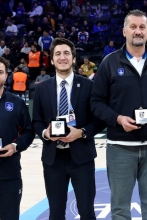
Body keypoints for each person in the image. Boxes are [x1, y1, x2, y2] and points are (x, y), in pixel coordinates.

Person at [90, 10, 147, 220]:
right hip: (120, 147)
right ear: (124, 31)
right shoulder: (109, 62)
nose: (138, 31)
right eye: (133, 27)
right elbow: (96, 102)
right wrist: (117, 119)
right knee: (119, 208)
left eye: (142, 27)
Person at [32, 38, 105, 220]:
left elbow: (99, 120)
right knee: (56, 213)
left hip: (82, 158)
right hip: (53, 159)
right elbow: (36, 121)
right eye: (58, 54)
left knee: (87, 211)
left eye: (66, 53)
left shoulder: (89, 86)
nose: (62, 57)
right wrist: (45, 133)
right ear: (52, 59)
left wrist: (81, 132)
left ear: (73, 58)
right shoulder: (42, 89)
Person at [0, 57, 34, 220]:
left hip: (9, 173)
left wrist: (15, 146)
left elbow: (28, 132)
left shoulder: (17, 102)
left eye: (0, 72)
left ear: (6, 76)